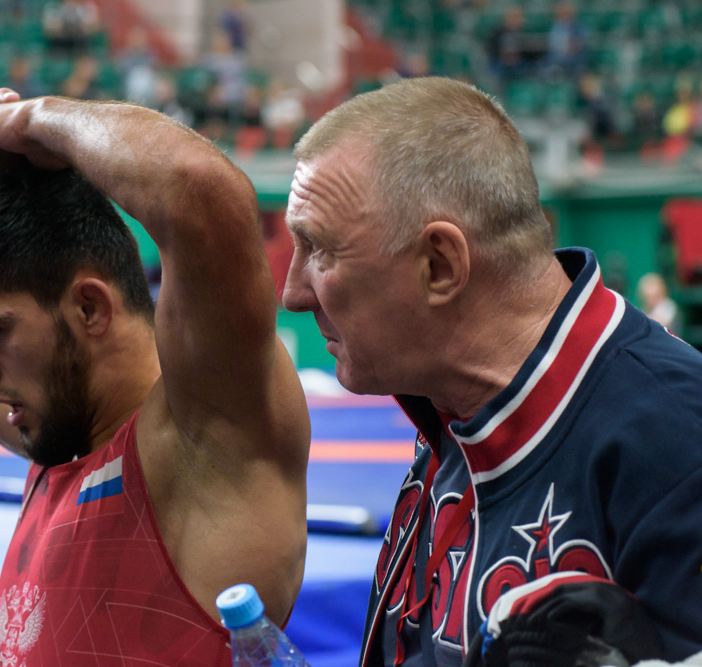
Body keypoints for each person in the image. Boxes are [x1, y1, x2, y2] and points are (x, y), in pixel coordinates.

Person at [280, 76, 702, 665]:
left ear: (440, 265)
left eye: (319, 249)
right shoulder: (458, 420)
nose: (293, 292)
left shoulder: (679, 436)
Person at [0, 88, 311, 665]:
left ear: (89, 308)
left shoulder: (201, 446)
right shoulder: (56, 428)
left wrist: (35, 119)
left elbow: (197, 185)